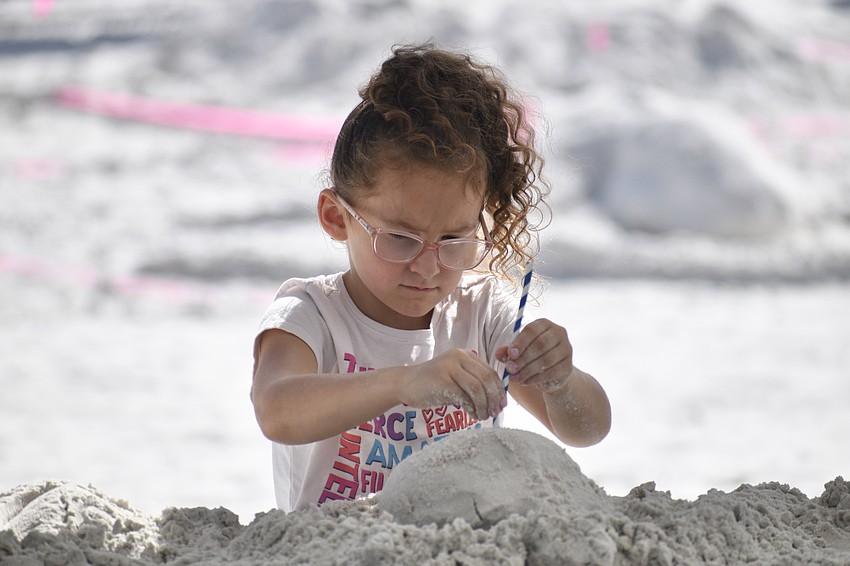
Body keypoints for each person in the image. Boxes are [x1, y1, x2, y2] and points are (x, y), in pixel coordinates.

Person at [251, 43, 611, 512]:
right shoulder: (310, 315)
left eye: (455, 239)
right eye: (400, 238)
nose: (427, 266)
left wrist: (560, 379)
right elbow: (276, 411)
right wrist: (403, 383)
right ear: (337, 217)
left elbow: (587, 430)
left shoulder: (483, 314)